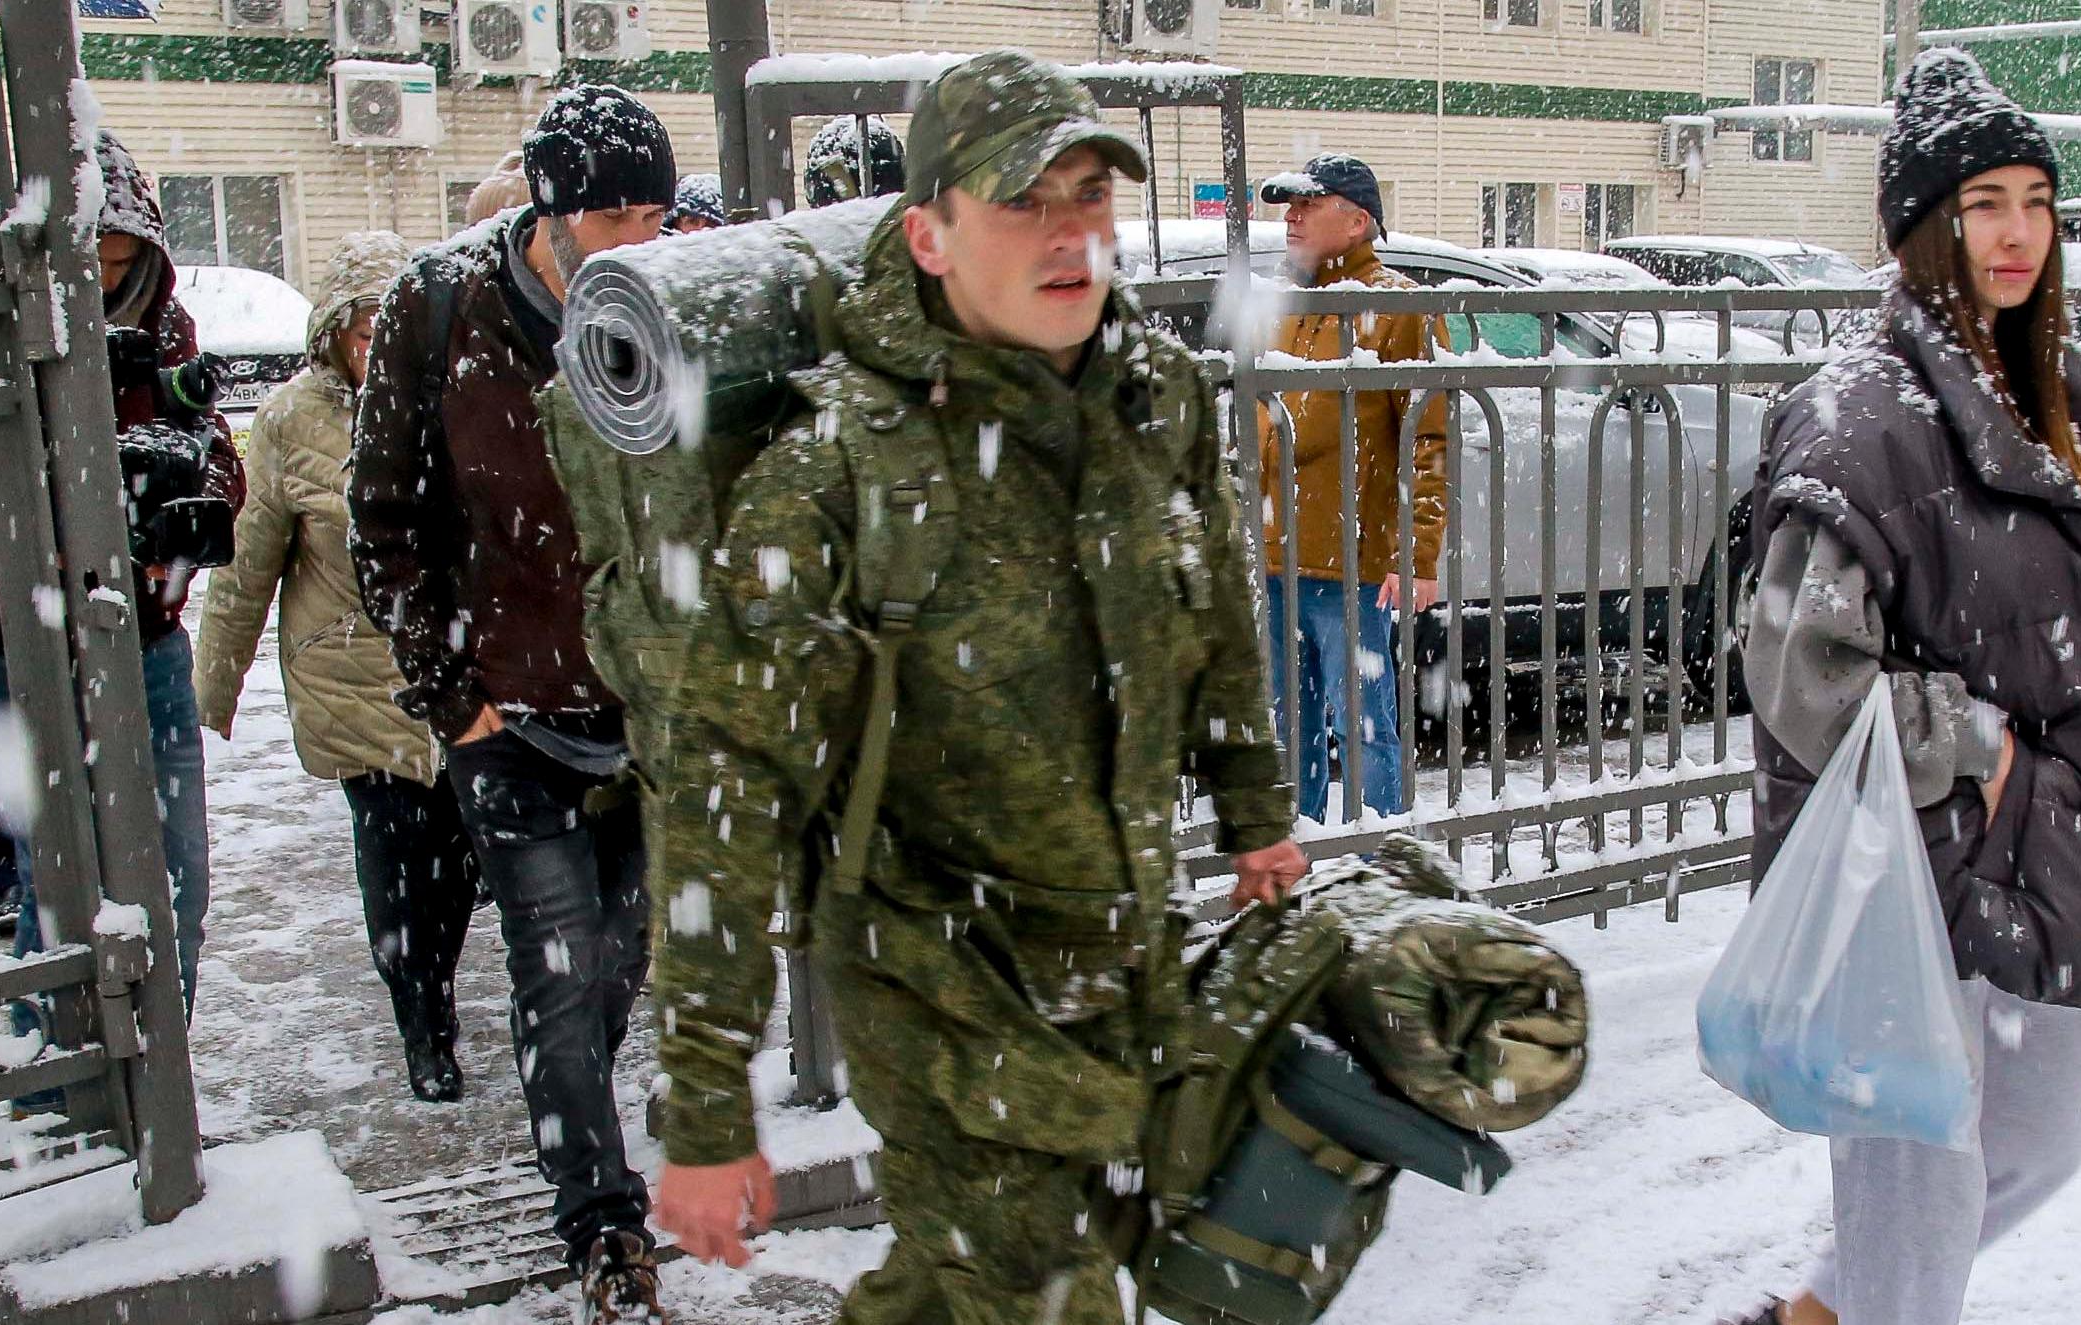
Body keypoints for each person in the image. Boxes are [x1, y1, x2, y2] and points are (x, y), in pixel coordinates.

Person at [636, 49, 1307, 1324]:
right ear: (929, 236)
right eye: (1022, 204)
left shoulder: (1151, 397)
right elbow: (726, 785)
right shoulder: (837, 473)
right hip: (934, 979)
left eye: (1090, 196)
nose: (1069, 237)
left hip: (1119, 947)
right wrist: (709, 1102)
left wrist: (1253, 809)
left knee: (953, 1287)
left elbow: (1214, 611)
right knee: (1045, 1289)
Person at [1727, 50, 2081, 1325]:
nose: (2020, 231)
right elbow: (1798, 671)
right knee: (1915, 1204)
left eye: (2037, 198)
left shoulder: (2047, 405)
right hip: (1904, 866)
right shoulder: (1861, 415)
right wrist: (1979, 745)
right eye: (1986, 202)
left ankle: (1819, 1316)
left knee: (2039, 1142)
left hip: (2027, 851)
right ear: (1929, 225)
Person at [346, 86, 676, 1321]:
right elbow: (380, 517)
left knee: (610, 972)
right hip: (508, 717)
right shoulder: (439, 308)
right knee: (555, 968)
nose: (641, 238)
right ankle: (605, 1229)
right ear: (548, 211)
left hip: (642, 715)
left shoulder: (673, 294)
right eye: (614, 215)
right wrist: (451, 694)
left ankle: (575, 1126)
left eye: (656, 209)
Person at [0, 130, 237, 1004]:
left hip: (143, 631)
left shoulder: (160, 323)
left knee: (175, 873)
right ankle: (61, 1076)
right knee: (56, 878)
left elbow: (210, 446)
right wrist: (15, 553)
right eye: (84, 257)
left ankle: (156, 1068)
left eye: (118, 260)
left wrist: (194, 504)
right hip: (7, 641)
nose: (98, 280)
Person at [190, 231, 484, 1103]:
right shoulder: (290, 422)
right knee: (398, 863)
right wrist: (215, 687)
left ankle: (434, 983)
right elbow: (246, 569)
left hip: (455, 676)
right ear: (333, 335)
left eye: (394, 329)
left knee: (459, 862)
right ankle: (421, 1020)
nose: (379, 349)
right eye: (364, 332)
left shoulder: (457, 398)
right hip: (353, 680)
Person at [1257, 154, 1448, 822]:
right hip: (1278, 555)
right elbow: (1260, 426)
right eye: (1289, 205)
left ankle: (1375, 869)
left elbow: (1427, 437)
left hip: (1355, 564)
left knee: (1363, 730)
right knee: (1292, 733)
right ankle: (1304, 863)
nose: (1292, 217)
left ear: (1358, 219)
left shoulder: (1397, 305)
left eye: (1311, 204)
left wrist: (1418, 554)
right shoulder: (1287, 303)